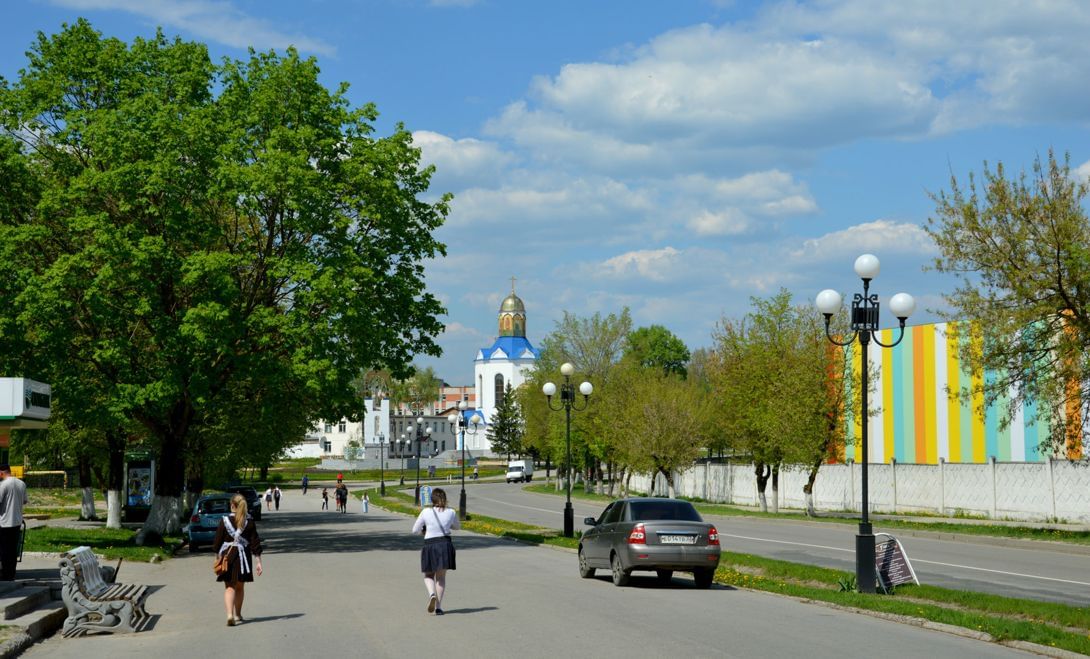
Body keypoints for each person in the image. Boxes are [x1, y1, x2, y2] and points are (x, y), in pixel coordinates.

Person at [213, 494, 263, 626]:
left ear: (232, 505)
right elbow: (255, 543)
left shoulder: (224, 521)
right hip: (243, 558)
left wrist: (218, 557)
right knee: (240, 587)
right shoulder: (249, 522)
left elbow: (217, 543)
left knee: (229, 587)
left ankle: (229, 614)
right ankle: (237, 614)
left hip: (227, 558)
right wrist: (258, 561)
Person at [411, 488, 459, 616]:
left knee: (428, 575)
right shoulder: (451, 512)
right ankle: (438, 607)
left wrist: (424, 531)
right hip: (445, 545)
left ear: (432, 499)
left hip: (430, 545)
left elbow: (414, 530)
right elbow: (457, 527)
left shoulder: (426, 512)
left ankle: (432, 594)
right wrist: (448, 525)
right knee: (441, 578)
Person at [0, 465, 28, 581]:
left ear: (1, 473)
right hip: (17, 522)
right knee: (12, 550)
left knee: (4, 550)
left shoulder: (4, 485)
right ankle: (11, 574)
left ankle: (5, 574)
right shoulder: (21, 484)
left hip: (4, 522)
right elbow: (25, 501)